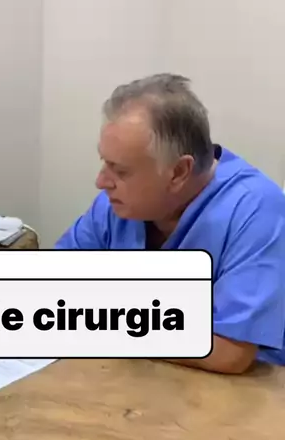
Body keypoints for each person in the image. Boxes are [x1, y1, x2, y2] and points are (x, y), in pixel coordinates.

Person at [55, 74, 285, 374]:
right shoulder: (116, 204)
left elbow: (229, 351)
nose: (101, 182)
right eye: (105, 163)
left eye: (121, 170)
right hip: (132, 373)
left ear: (178, 172)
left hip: (238, 390)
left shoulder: (256, 210)